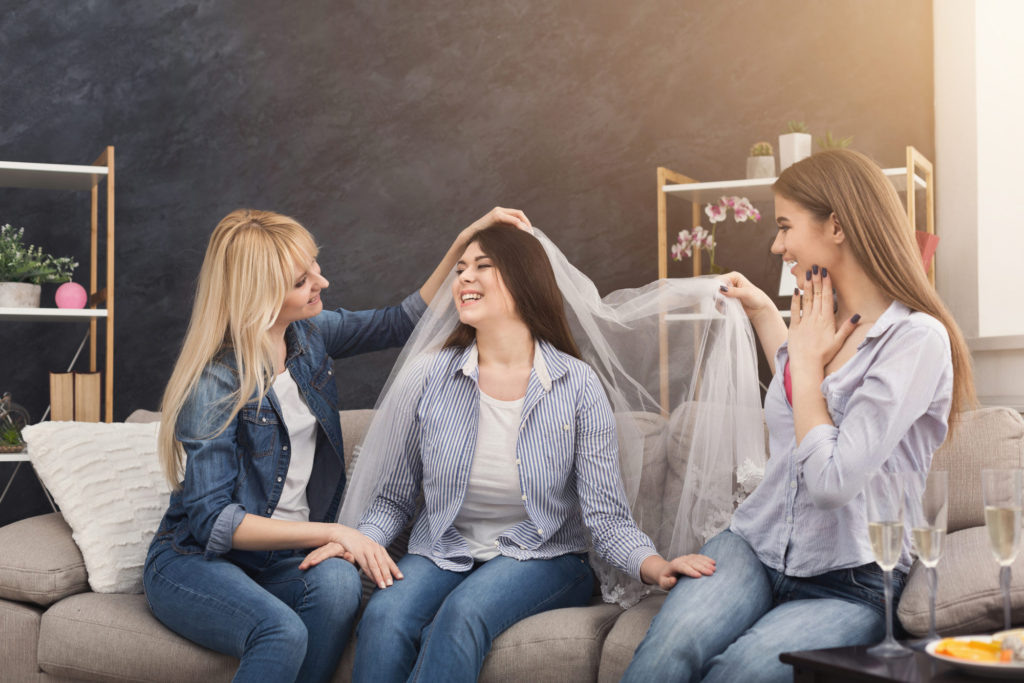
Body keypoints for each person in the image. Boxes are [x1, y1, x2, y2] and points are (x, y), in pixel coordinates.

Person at [621, 149, 976, 683]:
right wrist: (768, 314)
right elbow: (799, 404)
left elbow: (832, 480)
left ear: (836, 225)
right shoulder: (815, 321)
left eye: (785, 226)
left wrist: (806, 364)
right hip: (754, 545)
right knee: (662, 659)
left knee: (736, 674)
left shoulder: (914, 339)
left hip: (853, 578)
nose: (776, 244)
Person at [143, 206, 532, 683]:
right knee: (279, 631)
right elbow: (214, 524)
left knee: (339, 581)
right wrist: (335, 533)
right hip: (194, 563)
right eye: (302, 280)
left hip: (277, 563)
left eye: (315, 267)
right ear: (260, 296)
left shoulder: (310, 337)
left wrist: (465, 240)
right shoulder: (215, 385)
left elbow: (400, 321)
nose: (321, 283)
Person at [336, 225, 719, 683]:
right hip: (442, 548)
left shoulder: (577, 385)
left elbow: (606, 516)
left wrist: (655, 565)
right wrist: (355, 542)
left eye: (482, 267)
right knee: (385, 615)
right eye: (460, 270)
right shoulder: (427, 375)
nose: (463, 279)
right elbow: (393, 500)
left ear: (522, 279)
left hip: (545, 558)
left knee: (464, 612)